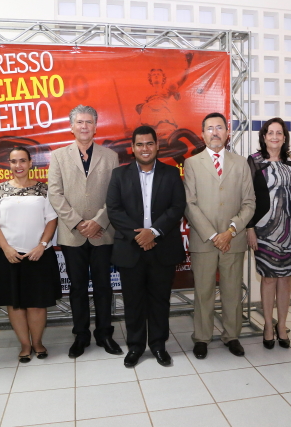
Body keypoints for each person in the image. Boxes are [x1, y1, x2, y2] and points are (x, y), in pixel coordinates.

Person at [106, 125, 186, 368]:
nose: (145, 148)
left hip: (162, 247)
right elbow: (114, 210)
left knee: (160, 300)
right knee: (133, 301)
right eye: (139, 144)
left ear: (157, 146)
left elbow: (177, 207)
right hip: (131, 249)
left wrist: (154, 232)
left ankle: (159, 345)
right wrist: (139, 236)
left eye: (149, 143)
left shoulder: (171, 173)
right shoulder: (119, 175)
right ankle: (136, 346)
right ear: (132, 148)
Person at [48, 105, 122, 358]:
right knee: (77, 288)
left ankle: (104, 334)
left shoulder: (110, 156)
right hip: (73, 234)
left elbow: (115, 194)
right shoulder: (58, 156)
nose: (84, 126)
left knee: (103, 287)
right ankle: (80, 335)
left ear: (95, 126)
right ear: (71, 127)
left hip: (103, 232)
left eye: (89, 122)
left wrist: (99, 221)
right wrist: (78, 222)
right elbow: (55, 194)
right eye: (79, 122)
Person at [183, 112, 255, 359]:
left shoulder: (241, 163)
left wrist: (230, 231)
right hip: (204, 240)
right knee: (203, 292)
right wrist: (214, 235)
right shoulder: (192, 163)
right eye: (210, 128)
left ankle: (231, 336)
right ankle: (202, 338)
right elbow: (189, 204)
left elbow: (249, 203)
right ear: (202, 134)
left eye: (219, 128)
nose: (215, 132)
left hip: (233, 239)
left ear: (227, 132)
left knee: (232, 291)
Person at [0, 146, 61, 363]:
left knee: (37, 303)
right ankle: (25, 345)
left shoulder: (43, 189)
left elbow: (52, 219)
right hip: (8, 256)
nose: (18, 165)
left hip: (38, 255)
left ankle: (37, 343)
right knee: (15, 304)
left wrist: (42, 245)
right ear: (8, 164)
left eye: (22, 161)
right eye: (13, 161)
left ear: (30, 163)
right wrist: (6, 248)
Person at [246, 118, 291, 350]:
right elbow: (247, 197)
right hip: (264, 230)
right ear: (264, 136)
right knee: (269, 278)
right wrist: (249, 227)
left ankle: (282, 325)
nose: (275, 136)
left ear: (284, 137)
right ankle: (268, 325)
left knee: (286, 278)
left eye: (279, 133)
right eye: (271, 132)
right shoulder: (254, 161)